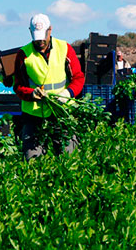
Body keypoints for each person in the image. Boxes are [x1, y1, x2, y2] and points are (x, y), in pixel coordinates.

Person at [13, 13, 84, 159]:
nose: (40, 42)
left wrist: (68, 93)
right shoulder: (24, 54)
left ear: (50, 30)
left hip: (61, 111)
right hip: (34, 114)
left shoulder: (64, 48)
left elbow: (78, 77)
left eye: (43, 37)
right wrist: (31, 94)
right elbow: (18, 86)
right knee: (32, 159)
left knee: (69, 157)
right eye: (37, 38)